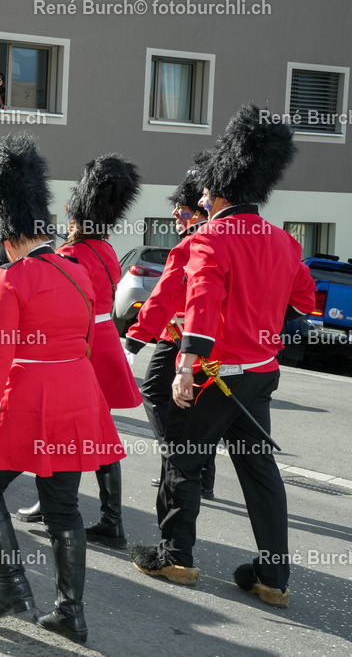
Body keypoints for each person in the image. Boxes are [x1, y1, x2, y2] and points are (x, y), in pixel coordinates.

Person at [131, 104, 317, 609]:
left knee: (183, 461)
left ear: (217, 193)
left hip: (215, 374)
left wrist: (186, 366)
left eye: (207, 193)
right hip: (259, 374)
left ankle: (175, 555)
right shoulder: (284, 242)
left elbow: (201, 303)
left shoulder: (209, 236)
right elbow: (306, 301)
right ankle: (273, 579)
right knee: (260, 475)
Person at [0, 132, 122, 644]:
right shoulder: (77, 270)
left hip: (28, 392)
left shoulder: (12, 276)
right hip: (78, 393)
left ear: (9, 234)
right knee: (64, 508)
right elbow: (91, 338)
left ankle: (13, 587)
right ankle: (71, 613)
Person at [16, 154, 143, 552]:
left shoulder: (72, 255)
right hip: (104, 340)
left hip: (84, 344)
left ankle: (104, 519)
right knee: (99, 433)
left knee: (57, 427)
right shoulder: (104, 249)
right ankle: (105, 516)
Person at [124, 153, 216, 494]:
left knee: (153, 392)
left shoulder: (194, 242)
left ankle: (179, 463)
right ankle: (200, 477)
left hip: (181, 333)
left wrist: (134, 339)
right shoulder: (219, 236)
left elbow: (165, 296)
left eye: (182, 210)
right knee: (198, 405)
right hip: (209, 337)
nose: (176, 217)